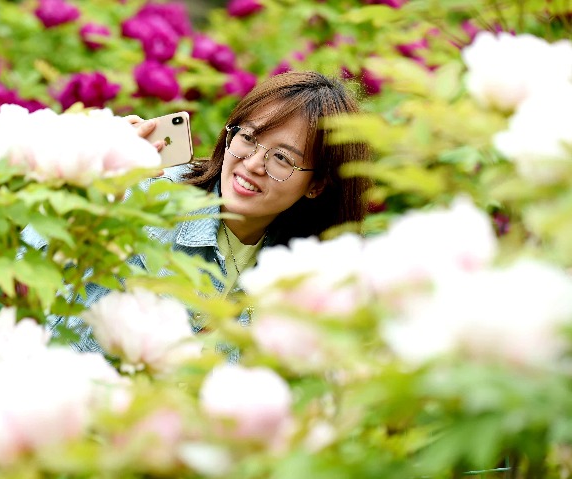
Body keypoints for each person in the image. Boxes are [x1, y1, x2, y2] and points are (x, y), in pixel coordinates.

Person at [22, 70, 371, 353]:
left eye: (281, 158)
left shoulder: (305, 279)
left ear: (318, 185)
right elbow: (24, 270)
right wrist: (89, 191)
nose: (251, 164)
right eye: (248, 138)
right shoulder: (147, 192)